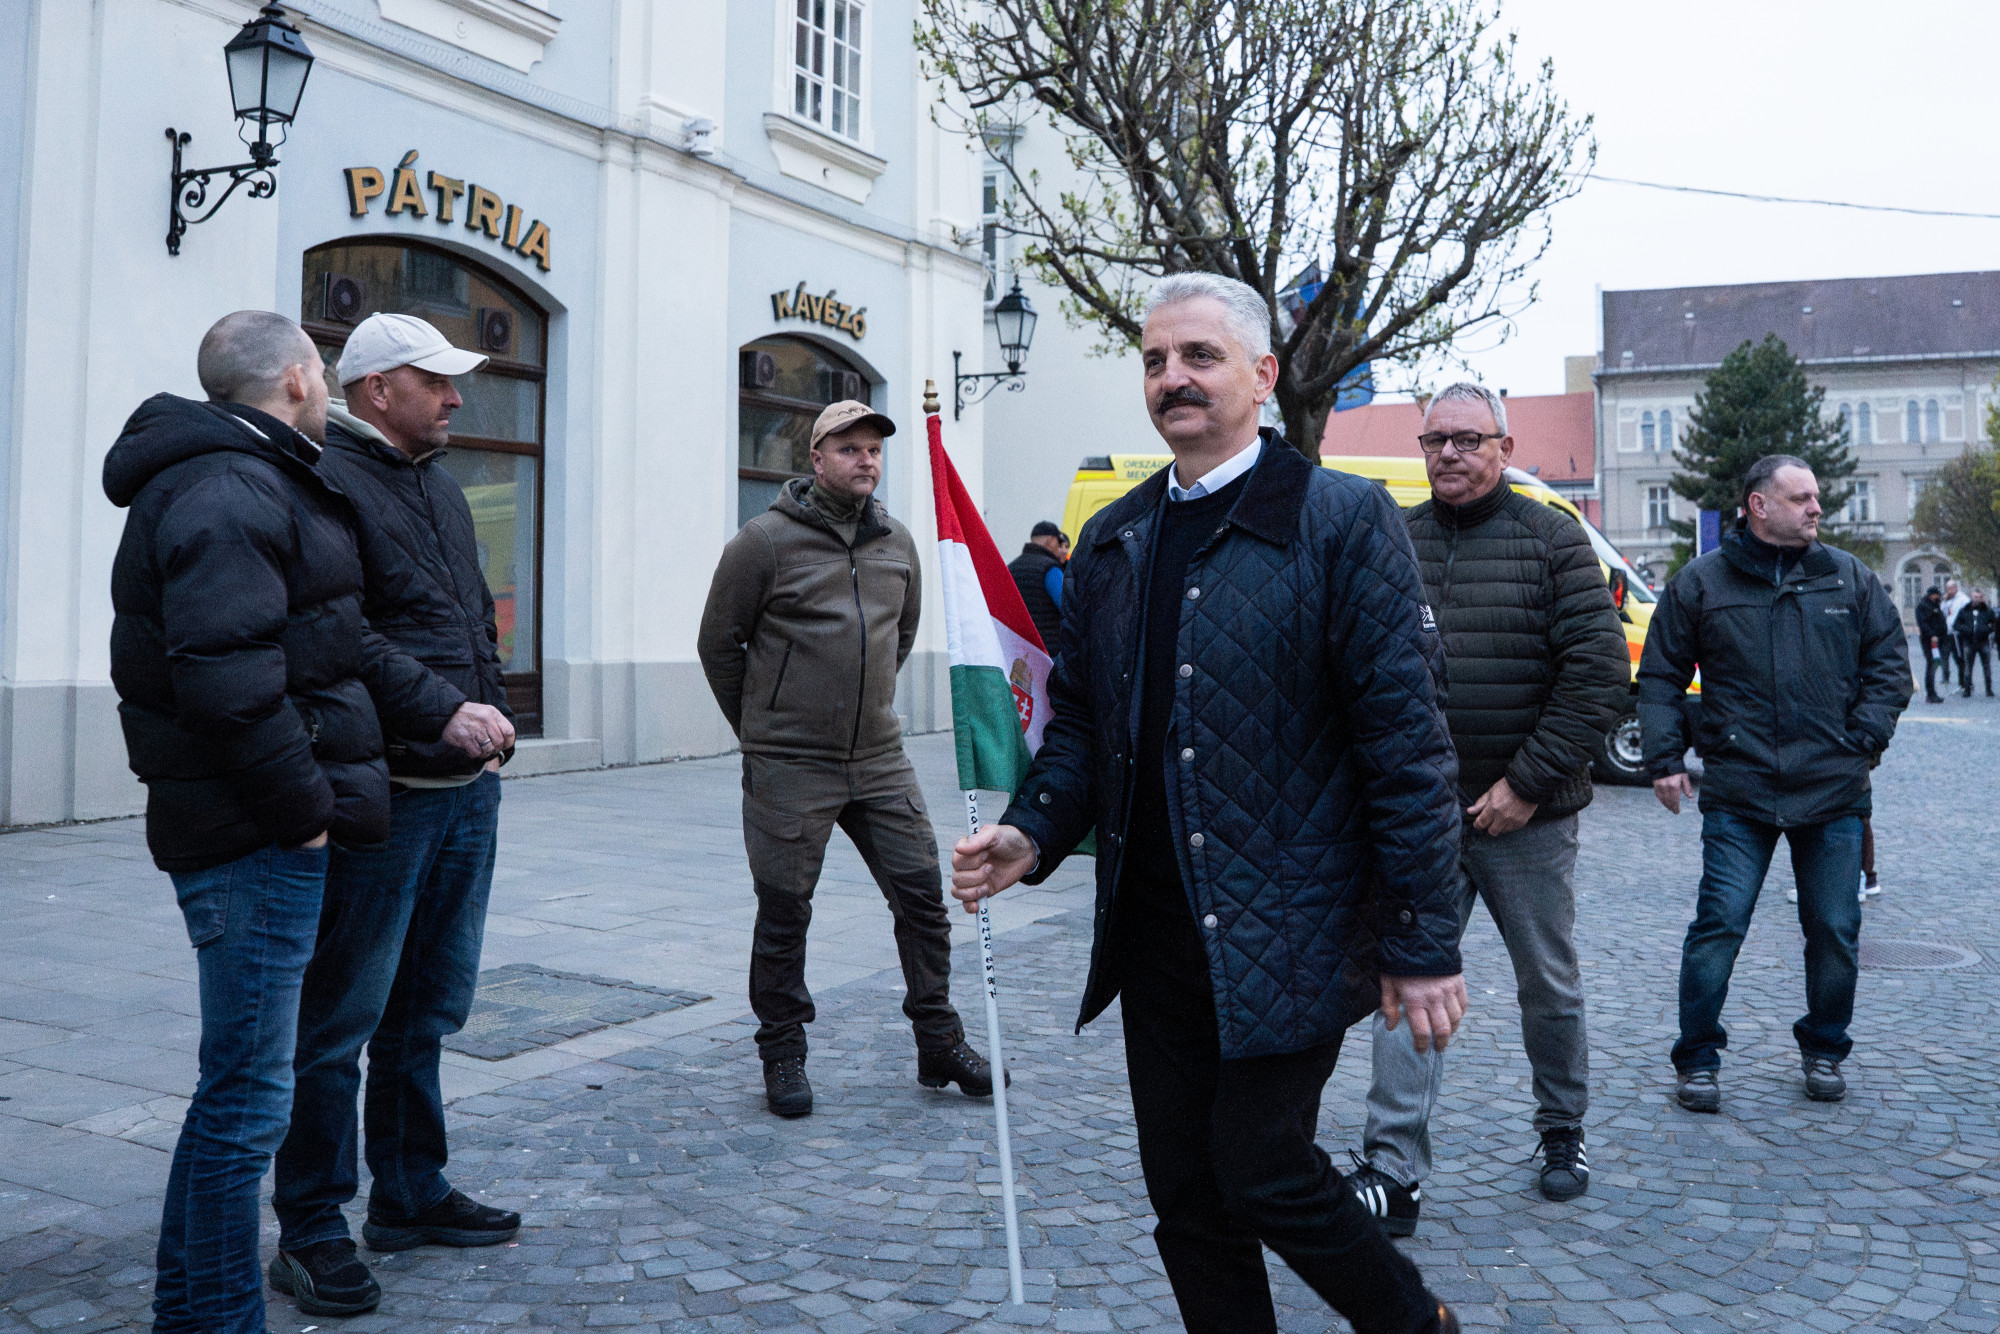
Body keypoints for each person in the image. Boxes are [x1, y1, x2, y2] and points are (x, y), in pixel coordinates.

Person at [951, 273, 1467, 1334]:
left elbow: (1406, 746)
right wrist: (1032, 829)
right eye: (1154, 360)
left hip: (1293, 922)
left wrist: (1421, 941)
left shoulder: (1340, 520)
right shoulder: (1117, 539)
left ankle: (1417, 1324)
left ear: (1263, 376)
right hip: (1156, 931)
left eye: (1199, 356)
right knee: (1185, 1193)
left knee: (1261, 1161)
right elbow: (1084, 724)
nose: (1172, 378)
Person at [103, 311, 420, 1334]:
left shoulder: (245, 476)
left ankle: (195, 1310)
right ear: (294, 378)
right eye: (320, 372)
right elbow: (227, 678)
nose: (324, 389)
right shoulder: (230, 486)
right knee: (244, 1101)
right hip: (253, 837)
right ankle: (214, 1319)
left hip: (253, 828)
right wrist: (305, 814)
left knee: (239, 1092)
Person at [267, 314, 524, 1316]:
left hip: (465, 791)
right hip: (385, 795)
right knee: (339, 1021)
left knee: (427, 1010)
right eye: (436, 381)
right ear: (377, 388)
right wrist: (442, 709)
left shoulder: (441, 485)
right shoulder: (326, 479)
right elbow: (338, 636)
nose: (457, 397)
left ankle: (411, 1190)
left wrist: (485, 714)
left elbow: (471, 618)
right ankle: (312, 1224)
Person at [1345, 382, 1629, 1236]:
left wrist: (1525, 785)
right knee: (1409, 981)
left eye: (1469, 439)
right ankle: (1393, 1169)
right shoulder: (1394, 538)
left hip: (1528, 818)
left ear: (1505, 448)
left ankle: (1562, 1128)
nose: (1450, 454)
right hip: (1419, 817)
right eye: (1436, 439)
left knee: (1548, 982)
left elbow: (1598, 676)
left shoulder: (1553, 537)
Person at [698, 400, 996, 1118]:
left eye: (874, 450)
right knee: (784, 911)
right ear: (817, 458)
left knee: (923, 898)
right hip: (790, 763)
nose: (866, 460)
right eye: (849, 448)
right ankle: (783, 1052)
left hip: (879, 757)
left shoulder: (897, 543)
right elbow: (718, 644)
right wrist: (764, 727)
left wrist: (866, 706)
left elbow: (901, 635)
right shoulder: (763, 542)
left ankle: (938, 1039)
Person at [1640, 455, 1909, 1113]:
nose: (1817, 508)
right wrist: (1665, 758)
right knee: (1719, 926)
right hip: (1741, 790)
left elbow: (1889, 666)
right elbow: (1661, 675)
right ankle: (1696, 1060)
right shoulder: (1702, 582)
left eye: (1816, 497)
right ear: (1758, 506)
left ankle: (1825, 1048)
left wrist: (1864, 738)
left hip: (1833, 791)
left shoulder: (1848, 576)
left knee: (1835, 929)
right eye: (1801, 498)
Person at [1008, 519, 1070, 649]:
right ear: (1050, 541)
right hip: (1049, 649)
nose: (1059, 547)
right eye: (1058, 543)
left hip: (1020, 648)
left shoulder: (1011, 568)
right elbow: (1067, 606)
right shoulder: (1050, 569)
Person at [1952, 588, 1994, 697]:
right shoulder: (1964, 610)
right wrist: (1966, 630)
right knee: (1968, 667)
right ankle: (1967, 689)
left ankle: (1989, 689)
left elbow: (1994, 624)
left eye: (1979, 597)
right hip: (1969, 642)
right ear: (1971, 598)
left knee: (1986, 666)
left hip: (1983, 641)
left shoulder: (1987, 610)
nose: (1977, 599)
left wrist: (1986, 629)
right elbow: (1956, 625)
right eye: (1975, 597)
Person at [1915, 586, 1950, 704]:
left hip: (1939, 638)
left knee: (1934, 665)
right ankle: (1930, 694)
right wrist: (1931, 635)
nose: (1939, 597)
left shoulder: (1935, 605)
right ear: (1931, 595)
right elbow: (1923, 623)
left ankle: (1932, 693)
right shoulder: (1923, 606)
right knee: (1931, 666)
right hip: (1930, 640)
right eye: (1937, 595)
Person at [1940, 578, 1969, 684]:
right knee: (1944, 655)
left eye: (1951, 588)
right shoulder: (1947, 600)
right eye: (1947, 589)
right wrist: (1944, 601)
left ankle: (1964, 680)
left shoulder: (1963, 599)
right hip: (1947, 632)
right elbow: (1942, 612)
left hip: (1958, 633)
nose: (1949, 591)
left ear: (1955, 588)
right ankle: (1945, 676)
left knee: (1959, 657)